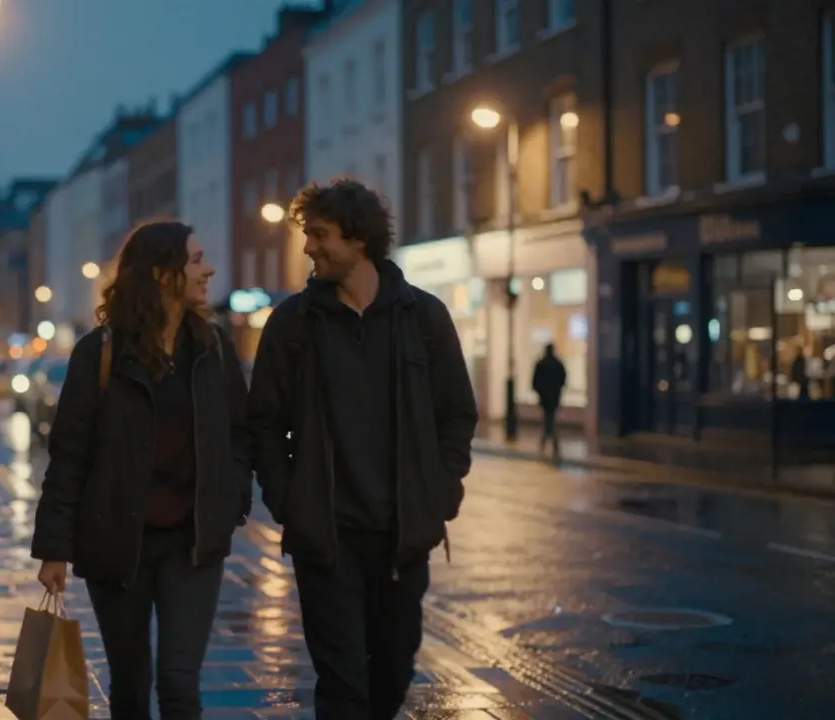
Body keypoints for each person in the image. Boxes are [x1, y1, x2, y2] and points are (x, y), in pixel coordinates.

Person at [249, 180, 478, 719]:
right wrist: (290, 502)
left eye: (320, 235)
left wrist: (439, 492)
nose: (309, 248)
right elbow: (261, 424)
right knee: (343, 682)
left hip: (402, 538)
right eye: (308, 235)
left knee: (392, 673)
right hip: (327, 541)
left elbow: (457, 414)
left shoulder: (423, 317)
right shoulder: (292, 324)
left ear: (359, 238)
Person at [31, 221, 251, 720]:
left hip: (192, 544)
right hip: (117, 543)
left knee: (178, 682)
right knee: (130, 684)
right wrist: (53, 549)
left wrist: (231, 498)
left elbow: (241, 432)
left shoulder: (213, 348)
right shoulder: (101, 352)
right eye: (195, 261)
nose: (207, 270)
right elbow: (70, 454)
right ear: (160, 273)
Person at [532, 343, 567, 461]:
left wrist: (540, 392)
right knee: (551, 417)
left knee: (548, 417)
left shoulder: (541, 364)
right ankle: (552, 441)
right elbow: (563, 379)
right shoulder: (558, 364)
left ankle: (546, 440)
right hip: (554, 396)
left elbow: (535, 382)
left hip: (545, 396)